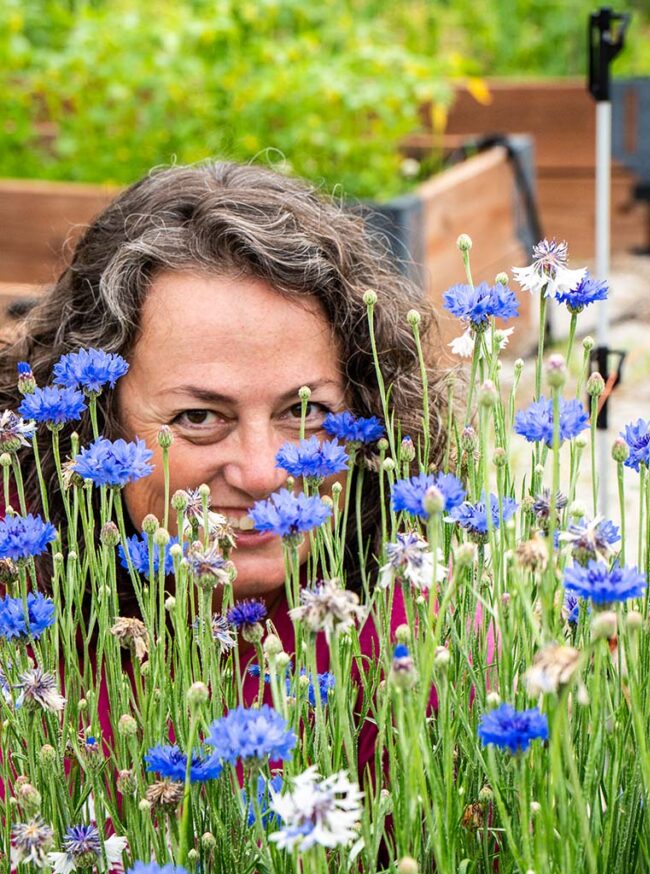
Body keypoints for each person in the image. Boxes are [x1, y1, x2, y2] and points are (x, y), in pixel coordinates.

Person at [0, 161, 460, 778]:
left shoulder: (426, 641)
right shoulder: (18, 584)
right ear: (93, 415)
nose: (263, 473)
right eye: (198, 416)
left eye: (306, 411)